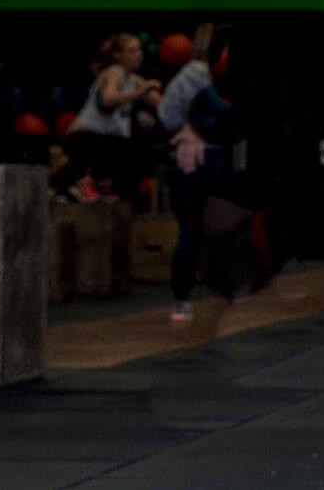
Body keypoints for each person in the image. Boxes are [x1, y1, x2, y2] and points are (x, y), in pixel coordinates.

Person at [160, 23, 237, 326]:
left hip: (189, 160)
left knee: (190, 233)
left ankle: (181, 302)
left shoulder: (186, 78)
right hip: (216, 159)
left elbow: (167, 116)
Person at [60, 33, 162, 202]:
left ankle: (98, 186)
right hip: (82, 139)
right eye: (132, 51)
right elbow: (108, 99)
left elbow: (161, 104)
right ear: (118, 55)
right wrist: (140, 92)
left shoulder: (134, 80)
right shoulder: (114, 72)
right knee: (124, 146)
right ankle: (84, 183)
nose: (139, 54)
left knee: (134, 149)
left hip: (103, 143)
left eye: (139, 50)